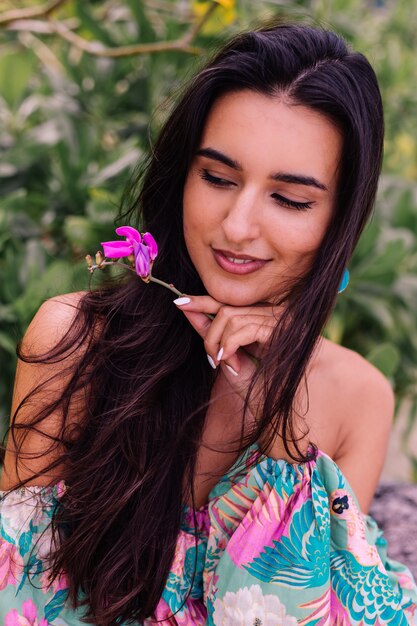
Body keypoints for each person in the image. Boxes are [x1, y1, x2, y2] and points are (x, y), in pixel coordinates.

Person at [0, 20, 416, 626]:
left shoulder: (357, 400)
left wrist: (280, 438)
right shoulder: (74, 344)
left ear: (339, 223)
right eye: (217, 178)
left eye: (291, 199)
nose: (237, 225)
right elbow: (19, 600)